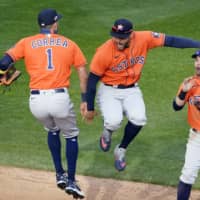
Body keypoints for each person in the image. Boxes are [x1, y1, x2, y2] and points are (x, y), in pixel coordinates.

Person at [83, 18, 200, 172]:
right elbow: (91, 82)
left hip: (132, 89)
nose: (118, 40)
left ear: (131, 34)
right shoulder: (104, 52)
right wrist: (89, 106)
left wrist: (198, 44)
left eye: (122, 37)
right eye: (115, 36)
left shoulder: (144, 38)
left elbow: (171, 40)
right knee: (113, 121)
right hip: (109, 89)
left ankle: (121, 149)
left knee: (139, 119)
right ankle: (108, 131)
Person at [0, 8, 87, 199]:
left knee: (52, 130)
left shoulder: (26, 42)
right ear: (54, 24)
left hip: (36, 102)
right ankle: (71, 180)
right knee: (71, 135)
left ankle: (59, 174)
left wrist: (2, 75)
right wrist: (85, 99)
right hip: (59, 99)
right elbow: (81, 71)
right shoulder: (69, 43)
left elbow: (3, 62)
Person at [173, 50, 200, 200]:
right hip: (196, 137)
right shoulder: (191, 83)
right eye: (196, 60)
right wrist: (183, 92)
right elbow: (176, 106)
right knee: (188, 173)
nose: (198, 63)